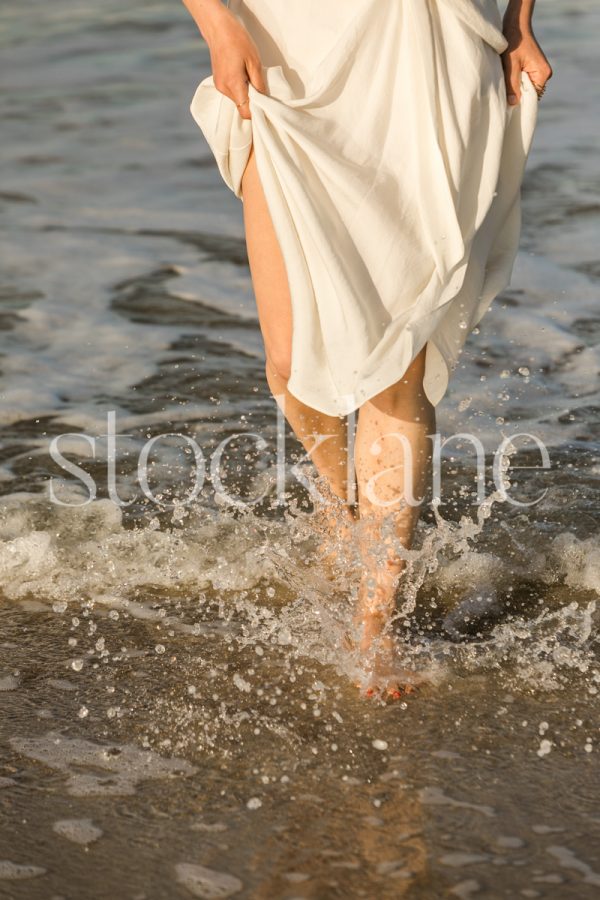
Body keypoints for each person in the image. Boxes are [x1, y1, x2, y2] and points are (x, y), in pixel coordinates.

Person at [182, 0, 552, 699]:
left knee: (397, 364)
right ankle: (343, 506)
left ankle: (374, 625)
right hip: (288, 48)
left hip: (431, 50)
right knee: (291, 365)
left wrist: (521, 20)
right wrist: (217, 24)